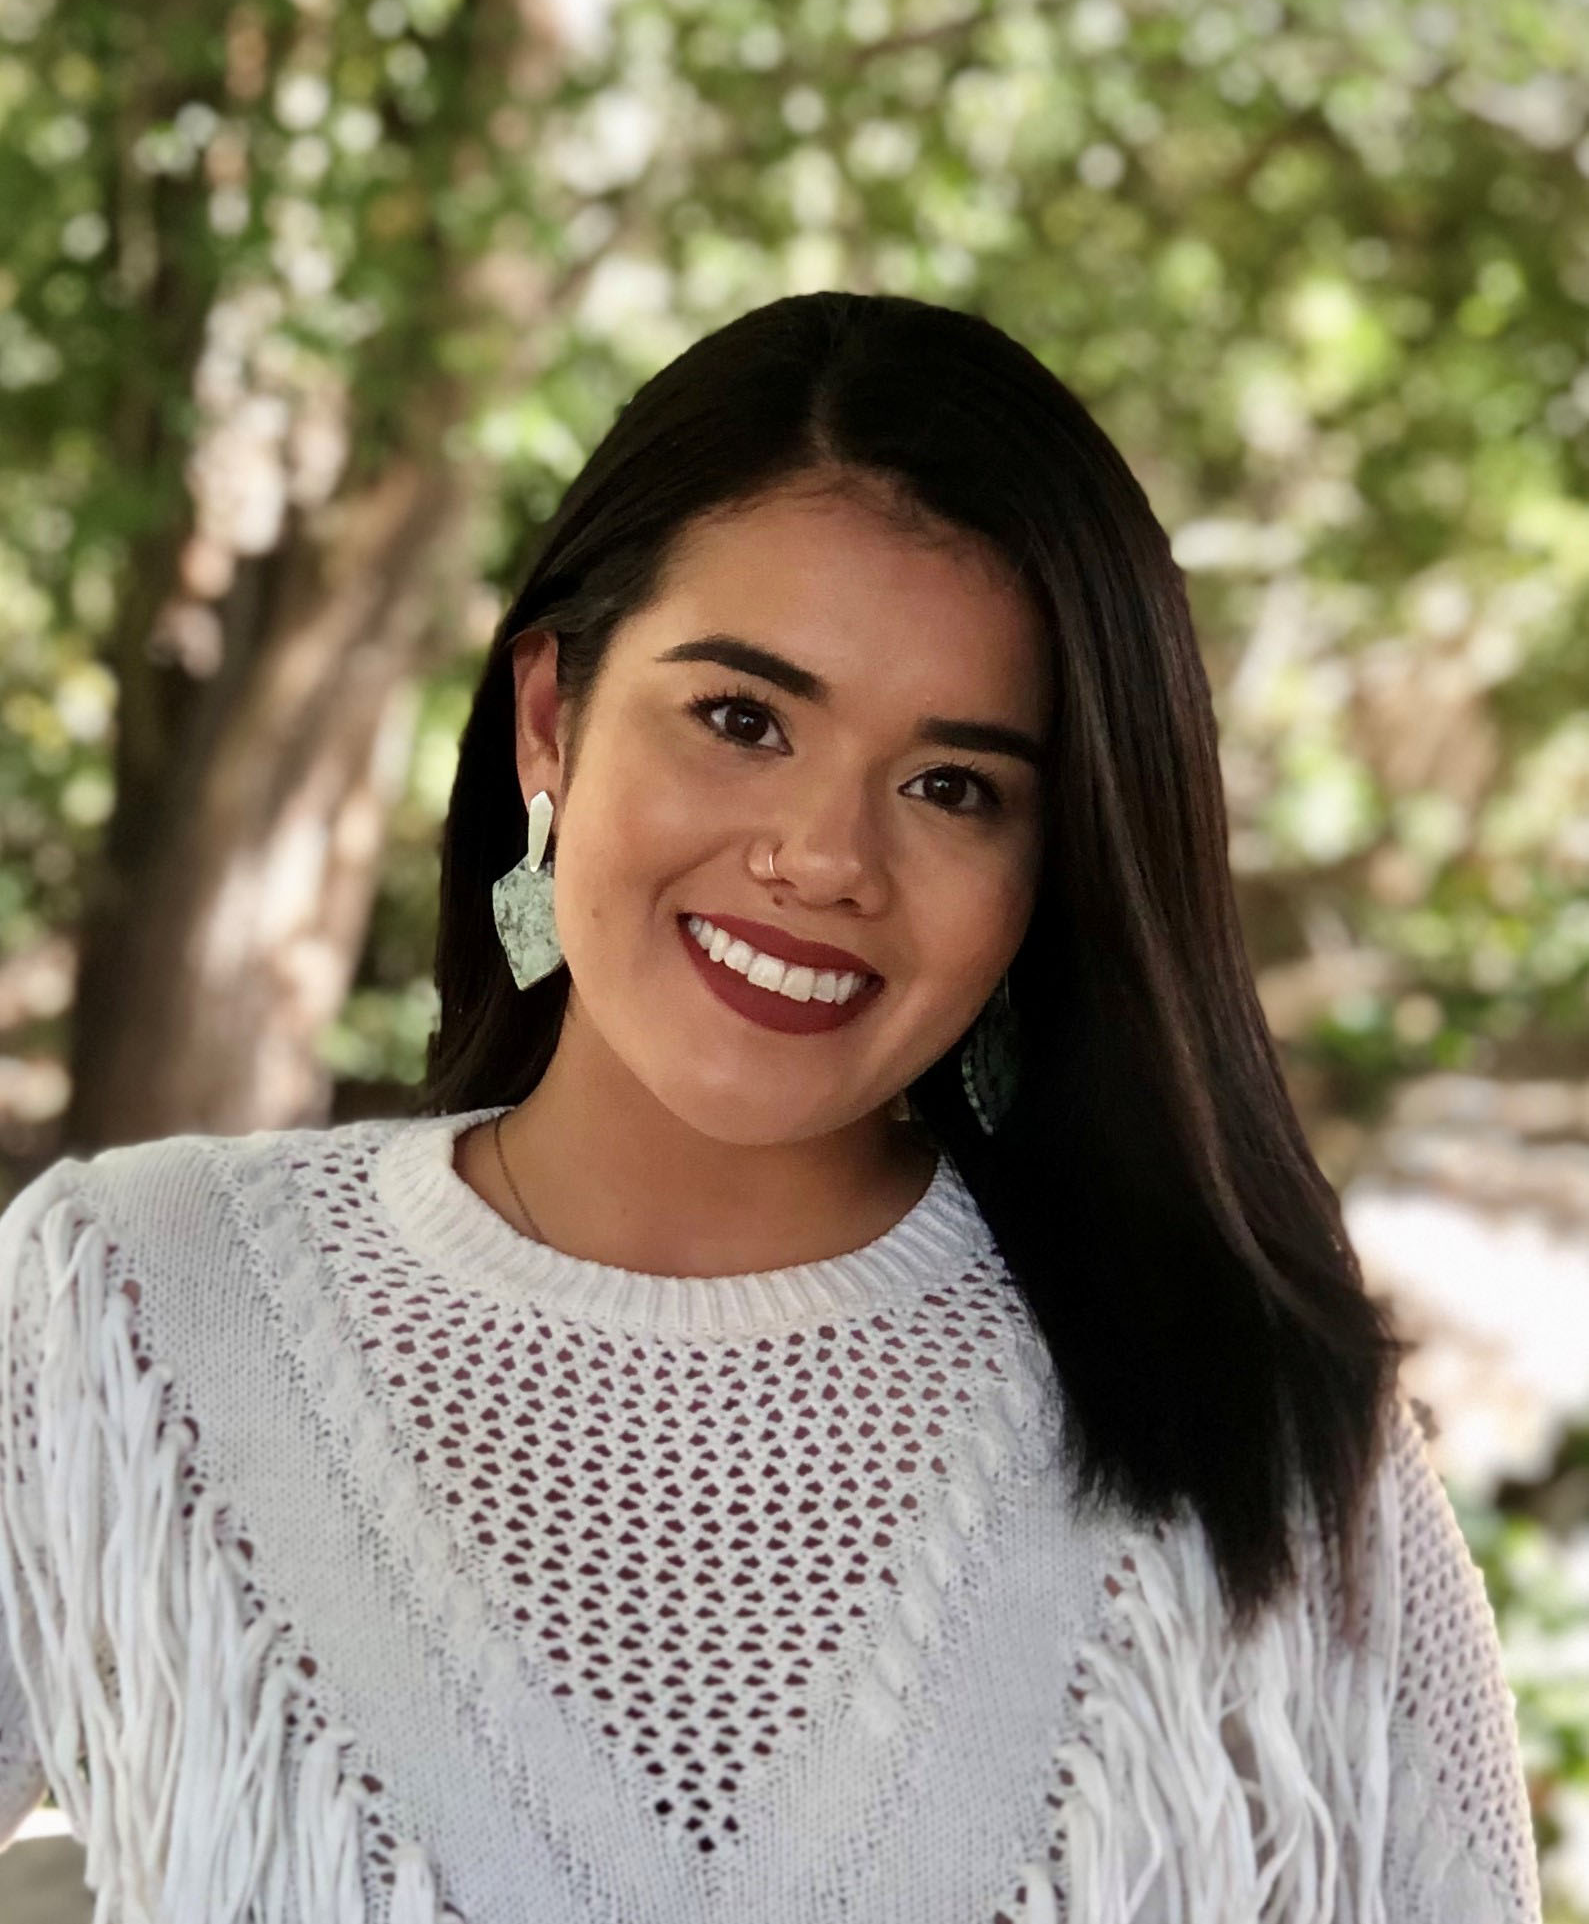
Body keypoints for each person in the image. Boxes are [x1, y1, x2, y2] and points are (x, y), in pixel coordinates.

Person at [0, 292, 1541, 1923]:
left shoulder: (1262, 1435)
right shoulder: (132, 1308)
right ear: (551, 717)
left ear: (1050, 863)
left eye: (952, 786)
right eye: (741, 718)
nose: (822, 857)